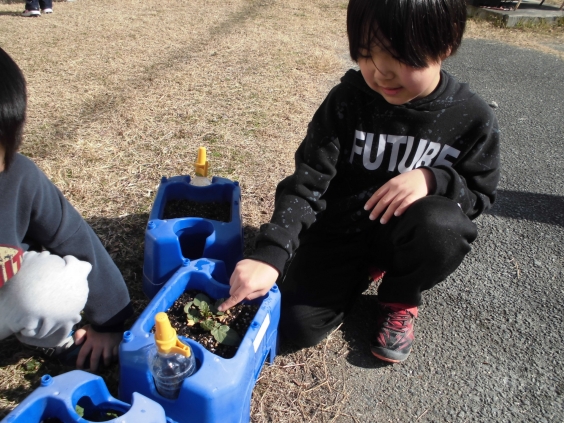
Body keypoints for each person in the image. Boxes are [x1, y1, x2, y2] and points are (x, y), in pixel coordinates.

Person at [218, 0, 500, 363]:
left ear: (445, 43)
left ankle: (399, 297)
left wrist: (434, 179)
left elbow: (479, 193)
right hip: (340, 232)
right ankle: (361, 270)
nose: (381, 73)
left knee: (443, 226)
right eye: (366, 53)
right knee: (295, 326)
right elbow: (308, 181)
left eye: (401, 56)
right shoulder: (348, 101)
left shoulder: (471, 117)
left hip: (406, 233)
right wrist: (270, 255)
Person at [0, 46, 133, 371]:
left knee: (55, 287)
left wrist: (112, 322)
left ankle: (53, 341)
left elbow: (72, 235)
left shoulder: (19, 177)